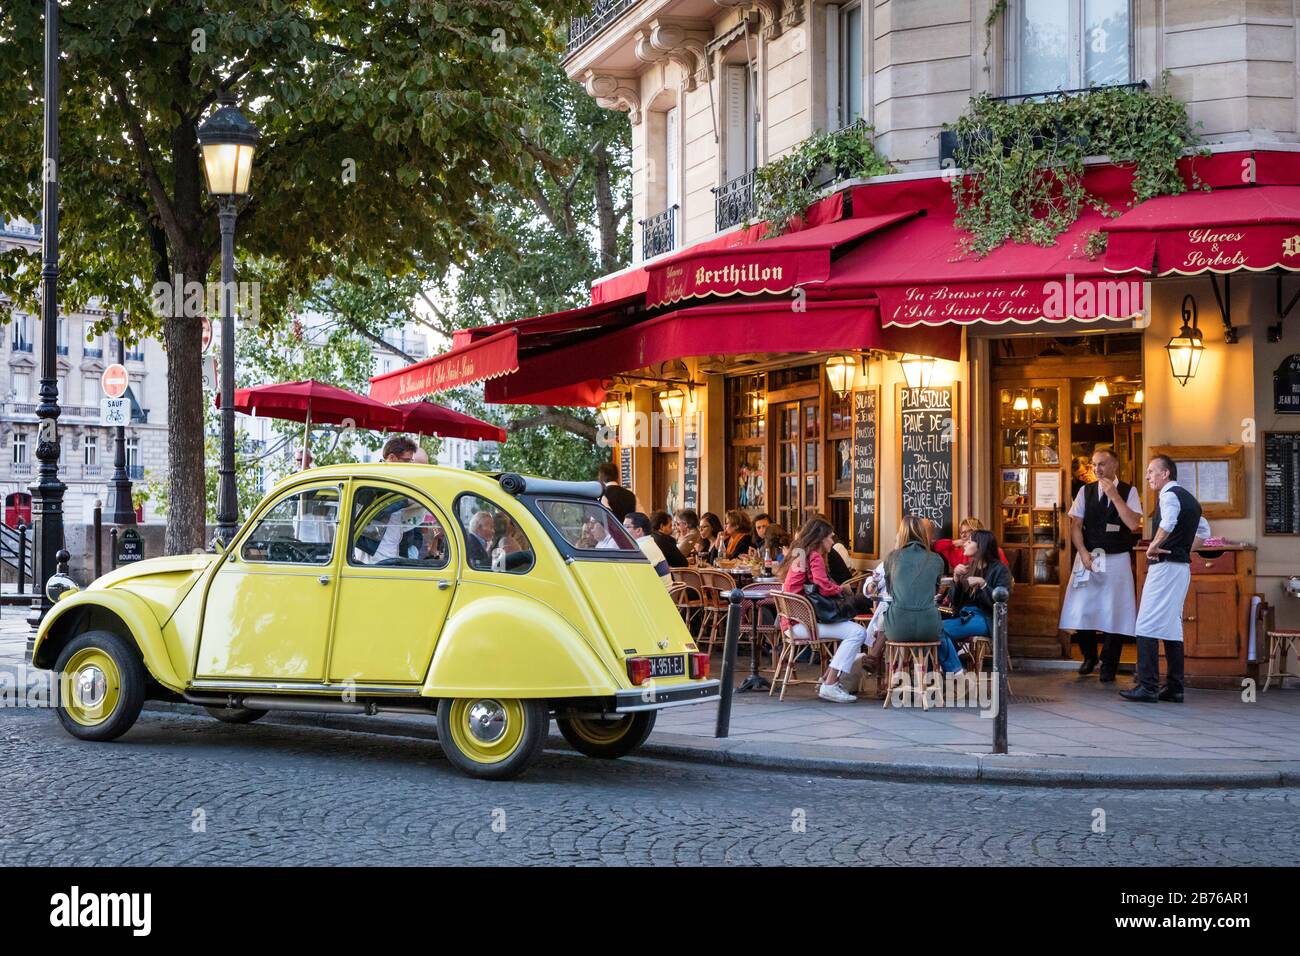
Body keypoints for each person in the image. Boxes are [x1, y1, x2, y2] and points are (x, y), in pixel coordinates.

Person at [1121, 455, 1210, 704]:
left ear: (1165, 474)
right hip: (1181, 568)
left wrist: (1154, 546)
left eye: (1151, 471)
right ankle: (1175, 687)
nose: (1148, 476)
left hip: (1165, 567)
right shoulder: (1190, 500)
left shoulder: (1169, 496)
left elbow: (1169, 522)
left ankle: (1147, 687)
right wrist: (1183, 548)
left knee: (1146, 623)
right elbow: (1204, 531)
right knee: (1172, 626)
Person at [1059, 447, 1143, 680]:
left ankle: (1109, 664)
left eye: (1102, 464)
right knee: (1082, 608)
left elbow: (1133, 524)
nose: (1097, 469)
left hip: (1117, 558)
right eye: (1094, 465)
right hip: (1089, 557)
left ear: (1115, 466)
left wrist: (1115, 496)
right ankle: (1089, 656)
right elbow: (1075, 525)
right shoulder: (1085, 491)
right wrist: (1083, 552)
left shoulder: (1129, 491)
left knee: (1115, 611)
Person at [781, 517, 872, 703]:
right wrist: (843, 589)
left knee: (853, 630)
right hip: (803, 623)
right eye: (830, 537)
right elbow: (823, 587)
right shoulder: (814, 556)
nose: (833, 541)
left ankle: (827, 680)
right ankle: (830, 684)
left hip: (791, 621)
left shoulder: (799, 552)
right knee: (857, 632)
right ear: (821, 538)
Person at [881, 515, 955, 672]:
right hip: (929, 628)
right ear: (924, 533)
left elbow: (890, 590)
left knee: (884, 620)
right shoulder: (936, 559)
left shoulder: (892, 558)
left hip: (897, 627)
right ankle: (929, 681)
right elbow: (935, 591)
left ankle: (896, 678)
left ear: (901, 534)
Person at [944, 529, 1013, 666]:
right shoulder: (968, 568)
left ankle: (955, 669)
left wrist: (983, 584)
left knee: (936, 630)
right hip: (964, 616)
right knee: (933, 630)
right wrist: (956, 579)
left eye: (969, 541)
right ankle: (957, 667)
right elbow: (954, 602)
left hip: (985, 619)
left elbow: (1000, 605)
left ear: (981, 545)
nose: (964, 544)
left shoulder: (1000, 570)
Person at [934, 517, 1009, 572]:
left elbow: (1004, 572)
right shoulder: (957, 551)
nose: (963, 535)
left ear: (978, 532)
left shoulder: (995, 551)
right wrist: (956, 542)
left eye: (967, 531)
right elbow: (937, 546)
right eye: (962, 532)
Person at [624, 511, 672, 583]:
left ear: (639, 530)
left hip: (660, 593)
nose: (623, 530)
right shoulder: (646, 543)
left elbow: (629, 575)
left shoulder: (643, 547)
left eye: (627, 527)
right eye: (622, 526)